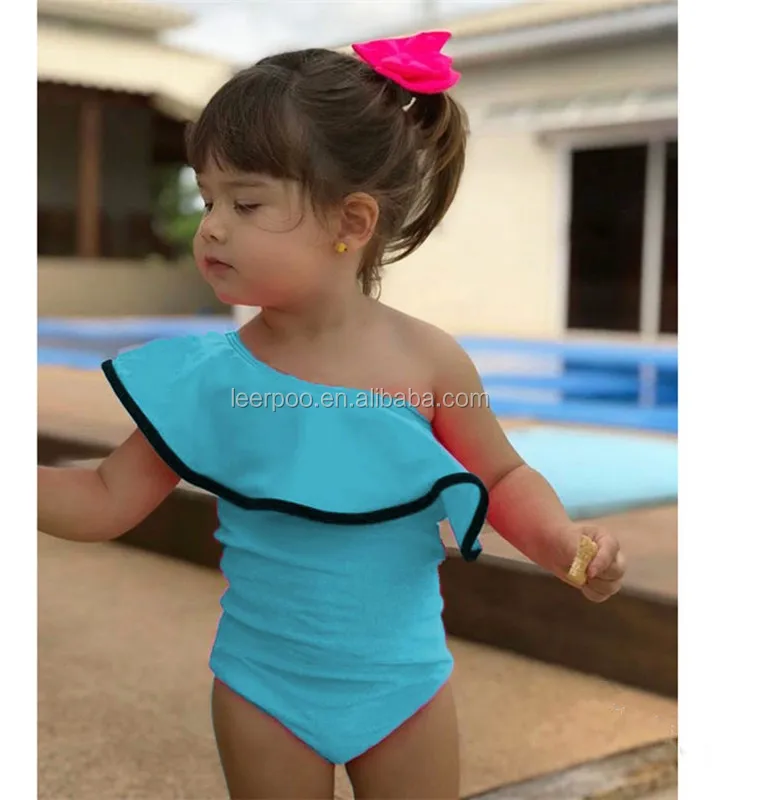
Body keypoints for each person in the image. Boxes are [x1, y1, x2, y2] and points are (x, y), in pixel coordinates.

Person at [37, 31, 626, 800]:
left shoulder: (430, 363)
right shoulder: (208, 379)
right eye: (207, 198)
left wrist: (562, 544)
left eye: (246, 203)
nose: (211, 225)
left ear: (351, 222)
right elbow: (104, 497)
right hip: (262, 688)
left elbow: (501, 476)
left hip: (404, 688)